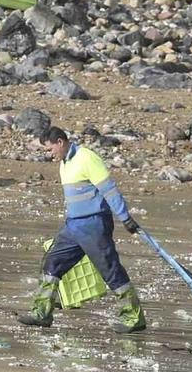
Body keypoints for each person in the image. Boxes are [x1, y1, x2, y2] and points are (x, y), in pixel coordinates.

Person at [19, 126, 146, 332]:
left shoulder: (87, 158)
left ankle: (134, 317)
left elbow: (109, 190)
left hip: (94, 225)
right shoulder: (64, 164)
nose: (49, 154)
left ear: (61, 142)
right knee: (52, 262)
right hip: (73, 226)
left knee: (110, 270)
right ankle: (42, 313)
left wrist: (125, 218)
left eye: (50, 149)